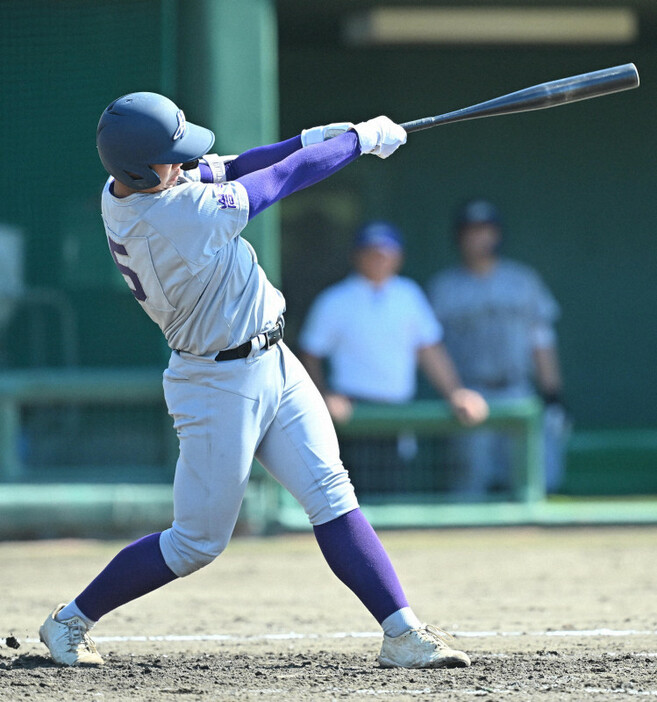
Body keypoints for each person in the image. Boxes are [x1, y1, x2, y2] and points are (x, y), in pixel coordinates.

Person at [38, 92, 471, 670]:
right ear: (142, 167)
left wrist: (313, 136)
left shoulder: (130, 187)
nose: (184, 161)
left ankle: (402, 632)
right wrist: (358, 144)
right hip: (216, 383)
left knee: (331, 494)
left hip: (273, 360)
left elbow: (239, 164)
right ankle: (70, 621)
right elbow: (277, 183)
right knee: (195, 543)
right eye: (172, 154)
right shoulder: (175, 217)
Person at [298, 221, 489, 492]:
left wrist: (455, 392)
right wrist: (323, 397)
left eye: (387, 252)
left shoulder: (409, 295)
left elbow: (429, 350)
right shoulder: (335, 300)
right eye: (372, 252)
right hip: (351, 418)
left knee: (394, 495)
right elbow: (310, 353)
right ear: (357, 255)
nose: (380, 259)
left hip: (398, 414)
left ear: (398, 257)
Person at [427, 199, 568, 497]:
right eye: (471, 231)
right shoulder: (443, 287)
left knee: (536, 483)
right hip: (470, 397)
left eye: (486, 230)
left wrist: (553, 395)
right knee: (470, 487)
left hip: (518, 392)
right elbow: (429, 348)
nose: (479, 238)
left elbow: (542, 340)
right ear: (459, 237)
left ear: (497, 234)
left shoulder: (523, 280)